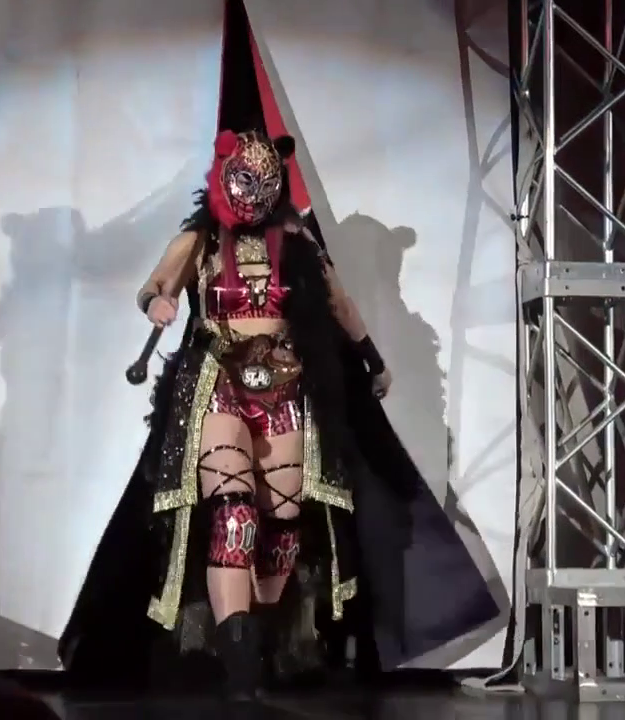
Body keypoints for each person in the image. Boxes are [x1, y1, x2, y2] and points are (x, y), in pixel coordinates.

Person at [59, 129, 502, 700]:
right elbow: (156, 283)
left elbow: (338, 304)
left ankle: (256, 640)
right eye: (243, 180)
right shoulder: (200, 238)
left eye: (262, 183)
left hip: (287, 387)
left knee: (282, 527)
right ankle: (240, 668)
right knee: (234, 515)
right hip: (220, 381)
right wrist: (157, 302)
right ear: (225, 177)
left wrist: (372, 359)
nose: (251, 194)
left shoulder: (297, 242)